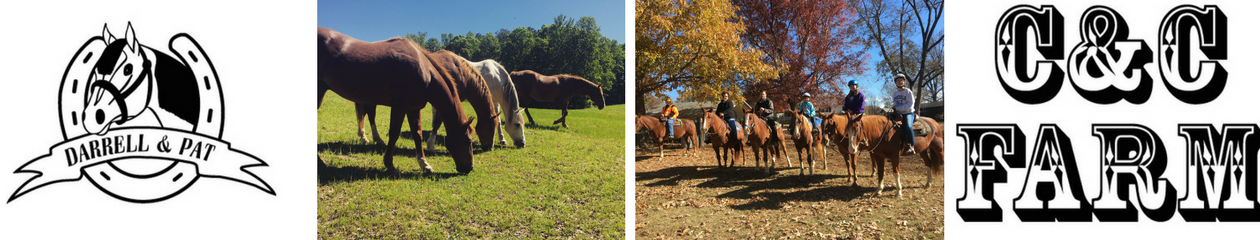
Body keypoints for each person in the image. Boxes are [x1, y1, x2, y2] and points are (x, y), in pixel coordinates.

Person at [892, 74, 917, 154]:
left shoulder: (908, 91)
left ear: (904, 81)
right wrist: (893, 108)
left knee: (908, 126)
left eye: (901, 80)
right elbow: (894, 103)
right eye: (897, 81)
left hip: (908, 113)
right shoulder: (895, 93)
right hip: (898, 113)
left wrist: (898, 108)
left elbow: (910, 104)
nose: (899, 82)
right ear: (895, 82)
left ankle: (912, 146)